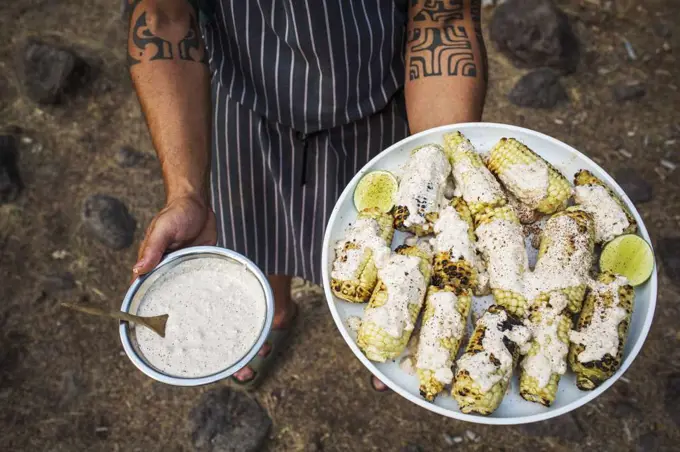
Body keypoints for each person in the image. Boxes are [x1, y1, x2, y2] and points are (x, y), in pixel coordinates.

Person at [126, 0, 487, 391]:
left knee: (396, 258)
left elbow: (442, 20)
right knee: (252, 234)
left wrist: (435, 188)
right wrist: (186, 193)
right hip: (244, 106)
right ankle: (274, 311)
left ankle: (389, 326)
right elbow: (162, 19)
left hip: (380, 111)